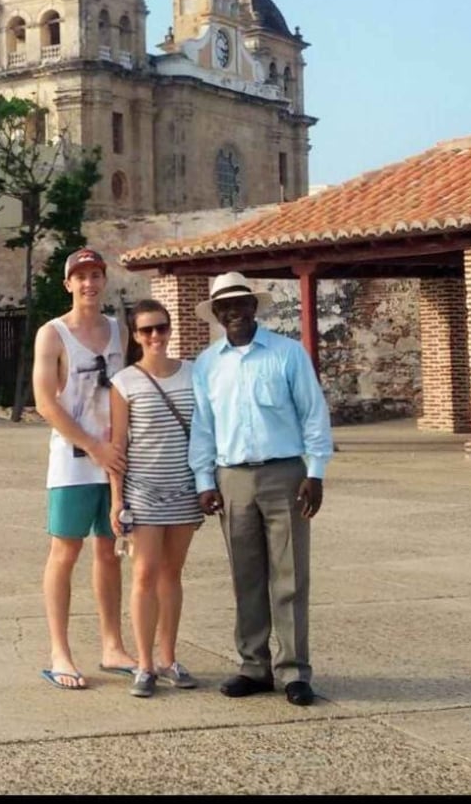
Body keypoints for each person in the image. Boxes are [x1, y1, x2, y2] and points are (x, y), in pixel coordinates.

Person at [188, 271, 334, 707]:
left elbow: (313, 413)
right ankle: (253, 665)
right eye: (224, 306)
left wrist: (316, 471)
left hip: (284, 473)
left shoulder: (287, 355)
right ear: (216, 313)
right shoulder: (208, 364)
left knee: (289, 575)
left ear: (255, 306)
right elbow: (203, 426)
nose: (233, 312)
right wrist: (203, 481)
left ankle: (294, 670)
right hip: (232, 477)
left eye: (240, 303)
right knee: (245, 577)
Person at [31, 247, 138, 690]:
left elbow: (129, 388)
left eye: (96, 275)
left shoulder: (118, 329)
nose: (89, 283)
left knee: (110, 550)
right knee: (65, 551)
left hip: (114, 457)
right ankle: (61, 650)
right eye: (81, 277)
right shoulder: (53, 334)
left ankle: (112, 644)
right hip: (74, 459)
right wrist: (92, 445)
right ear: (68, 284)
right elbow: (44, 402)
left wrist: (117, 447)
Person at [106, 299, 204, 698]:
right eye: (146, 330)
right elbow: (118, 444)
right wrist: (116, 500)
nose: (155, 337)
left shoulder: (194, 375)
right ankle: (144, 664)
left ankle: (168, 656)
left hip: (185, 488)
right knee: (144, 574)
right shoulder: (125, 382)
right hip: (143, 492)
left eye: (161, 328)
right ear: (135, 335)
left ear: (170, 328)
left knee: (172, 574)